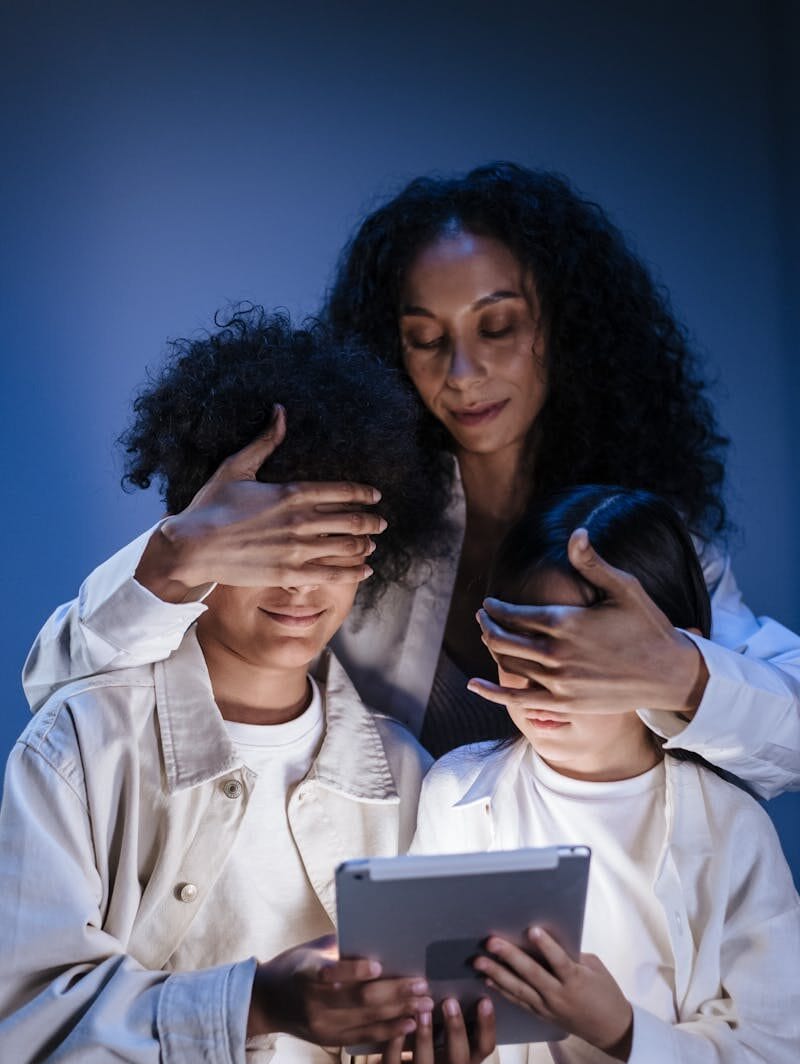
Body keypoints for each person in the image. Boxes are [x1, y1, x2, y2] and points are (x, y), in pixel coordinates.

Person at [21, 163, 800, 789]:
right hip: (367, 949)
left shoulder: (644, 541)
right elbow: (59, 683)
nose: (463, 373)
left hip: (605, 958)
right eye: (426, 339)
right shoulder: (341, 511)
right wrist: (176, 553)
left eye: (498, 326)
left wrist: (679, 674)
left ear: (565, 331)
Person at [0, 310, 494, 1064]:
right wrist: (260, 1001)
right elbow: (18, 1027)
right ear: (207, 540)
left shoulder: (409, 777)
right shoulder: (82, 742)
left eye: (336, 548)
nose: (302, 583)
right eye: (270, 546)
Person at [372, 486, 800, 1064]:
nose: (540, 681)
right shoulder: (457, 796)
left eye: (574, 650)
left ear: (657, 647)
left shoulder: (730, 823)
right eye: (521, 642)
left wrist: (622, 1031)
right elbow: (432, 1033)